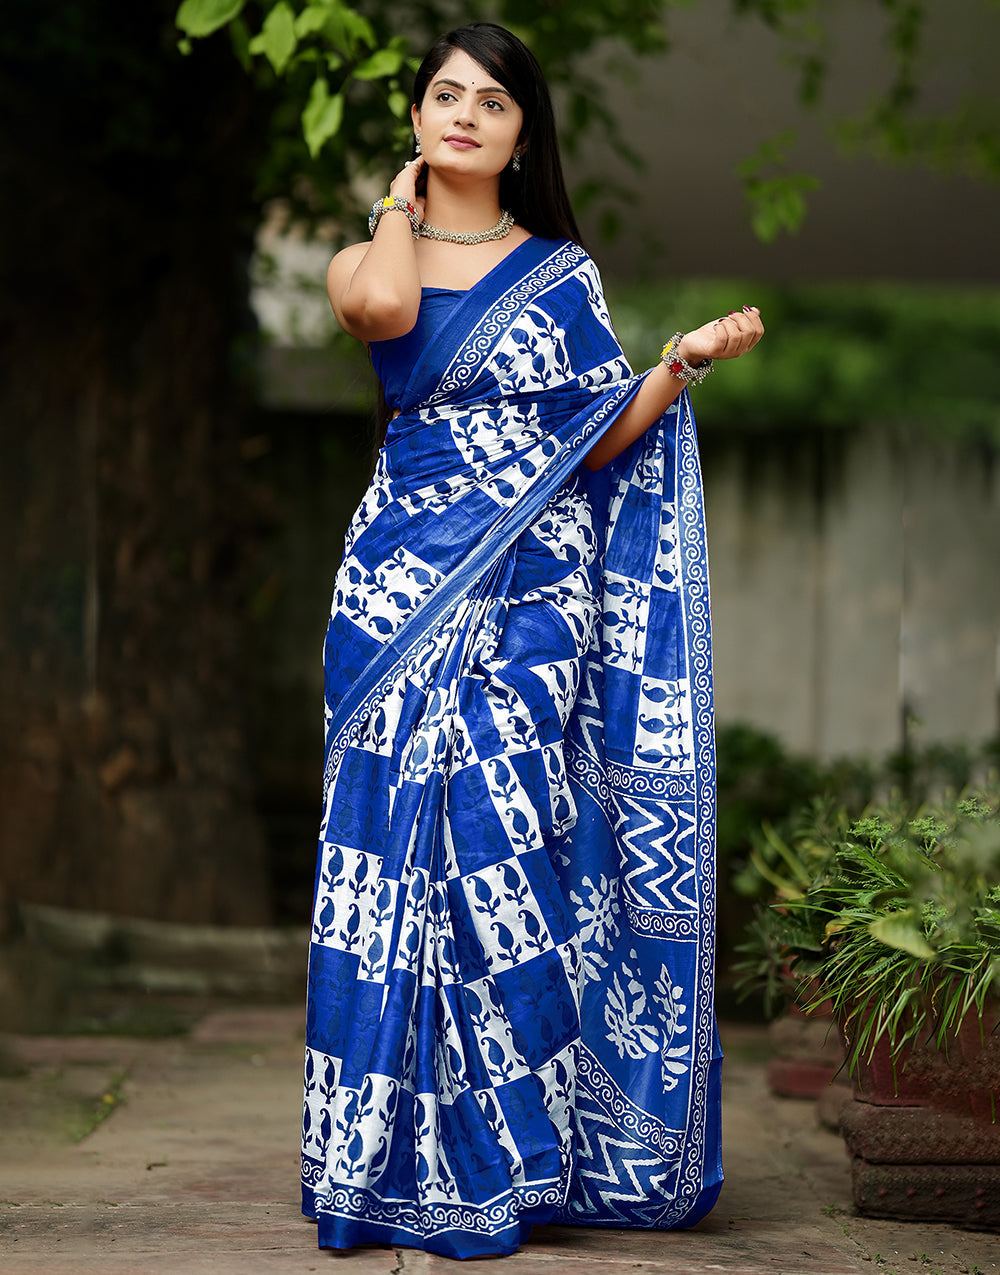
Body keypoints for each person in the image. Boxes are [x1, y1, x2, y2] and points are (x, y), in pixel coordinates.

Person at [301, 22, 763, 1260]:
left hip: (534, 596)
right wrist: (399, 203)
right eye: (442, 96)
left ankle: (517, 1158)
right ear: (415, 120)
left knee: (508, 845)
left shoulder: (563, 276)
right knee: (399, 853)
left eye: (490, 102)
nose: (463, 115)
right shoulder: (365, 255)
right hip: (400, 595)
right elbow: (389, 305)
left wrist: (678, 361)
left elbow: (600, 436)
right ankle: (387, 1164)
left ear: (521, 133)